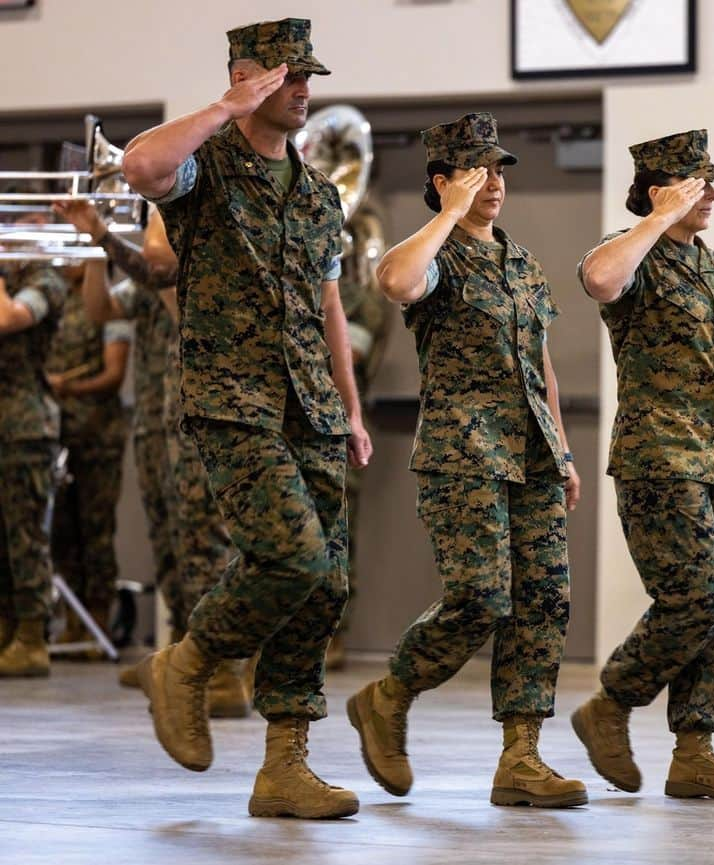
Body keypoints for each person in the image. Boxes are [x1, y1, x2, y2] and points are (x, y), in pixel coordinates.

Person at [121, 17, 372, 819]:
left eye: (307, 78)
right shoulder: (206, 169)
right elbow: (140, 165)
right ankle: (188, 661)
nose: (302, 91)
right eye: (287, 76)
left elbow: (330, 305)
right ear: (247, 75)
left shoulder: (318, 192)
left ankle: (284, 765)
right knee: (293, 558)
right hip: (235, 400)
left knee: (326, 583)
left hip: (314, 406)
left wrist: (352, 408)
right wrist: (227, 106)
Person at [348, 112, 586, 809]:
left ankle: (521, 757)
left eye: (500, 169)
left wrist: (564, 450)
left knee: (543, 599)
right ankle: (389, 695)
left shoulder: (522, 262)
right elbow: (393, 280)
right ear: (443, 179)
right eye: (477, 170)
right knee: (482, 596)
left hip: (534, 453)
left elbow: (542, 364)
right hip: (465, 450)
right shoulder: (436, 256)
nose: (495, 183)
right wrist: (447, 214)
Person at [572, 130, 714, 800]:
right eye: (697, 183)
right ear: (659, 189)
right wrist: (659, 217)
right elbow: (601, 281)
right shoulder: (629, 256)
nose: (711, 195)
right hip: (659, 455)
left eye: (710, 184)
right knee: (698, 593)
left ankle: (696, 747)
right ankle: (611, 701)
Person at [53, 198, 179, 667]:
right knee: (164, 538)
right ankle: (180, 656)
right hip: (150, 422)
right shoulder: (141, 287)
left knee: (197, 541)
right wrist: (94, 250)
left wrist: (138, 253)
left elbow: (180, 310)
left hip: (192, 423)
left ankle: (212, 660)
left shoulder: (189, 278)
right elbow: (101, 309)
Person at [45, 261, 132, 650]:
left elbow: (114, 375)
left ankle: (98, 620)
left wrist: (69, 387)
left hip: (98, 434)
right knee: (63, 530)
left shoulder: (109, 302)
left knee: (96, 529)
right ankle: (73, 621)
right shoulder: (54, 300)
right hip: (58, 434)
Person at [325, 193, 393, 672]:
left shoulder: (358, 297)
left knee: (335, 535)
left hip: (335, 431)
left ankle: (332, 635)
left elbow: (351, 354)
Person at [0, 261, 67, 677]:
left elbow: (8, 318)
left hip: (24, 427)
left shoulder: (45, 280)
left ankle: (31, 637)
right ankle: (7, 626)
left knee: (25, 536)